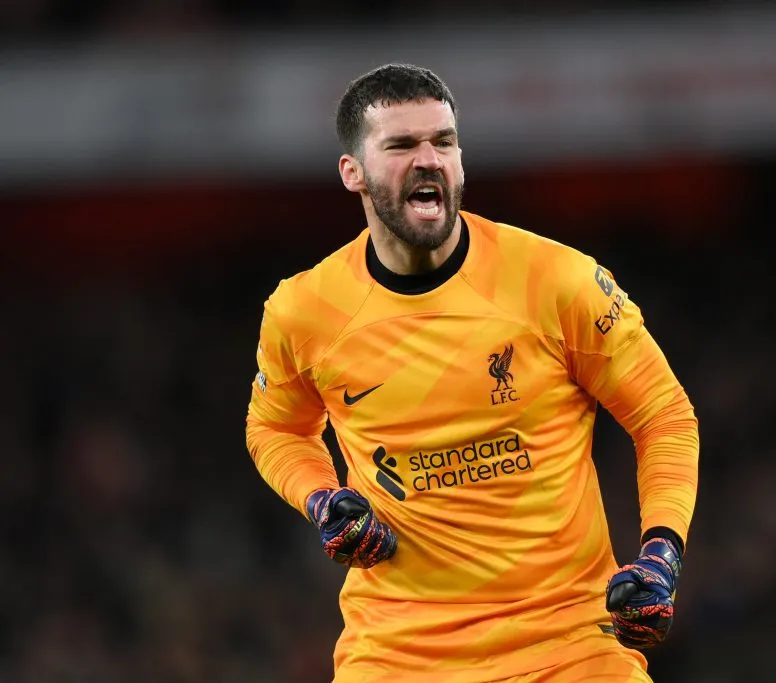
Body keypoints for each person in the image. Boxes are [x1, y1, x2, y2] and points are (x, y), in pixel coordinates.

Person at [245, 63, 699, 683]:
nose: (428, 159)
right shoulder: (305, 311)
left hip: (567, 646)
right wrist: (321, 499)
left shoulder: (555, 281)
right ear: (353, 172)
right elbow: (275, 430)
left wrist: (661, 554)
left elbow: (664, 416)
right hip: (398, 656)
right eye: (402, 146)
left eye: (444, 141)